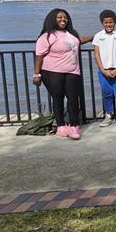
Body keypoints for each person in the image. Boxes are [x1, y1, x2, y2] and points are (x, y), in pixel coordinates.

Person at [33, 9, 93, 139]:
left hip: (72, 71)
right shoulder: (46, 36)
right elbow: (39, 56)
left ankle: (73, 126)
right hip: (52, 71)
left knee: (73, 98)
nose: (63, 20)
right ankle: (60, 126)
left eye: (65, 17)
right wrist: (36, 74)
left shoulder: (70, 33)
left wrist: (95, 36)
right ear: (52, 19)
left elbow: (79, 40)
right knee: (58, 98)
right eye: (59, 17)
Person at [92, 9, 116, 127]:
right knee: (106, 93)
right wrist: (103, 70)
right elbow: (97, 54)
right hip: (103, 70)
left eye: (111, 22)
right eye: (106, 22)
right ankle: (108, 114)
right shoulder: (98, 36)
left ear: (115, 22)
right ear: (102, 23)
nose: (108, 24)